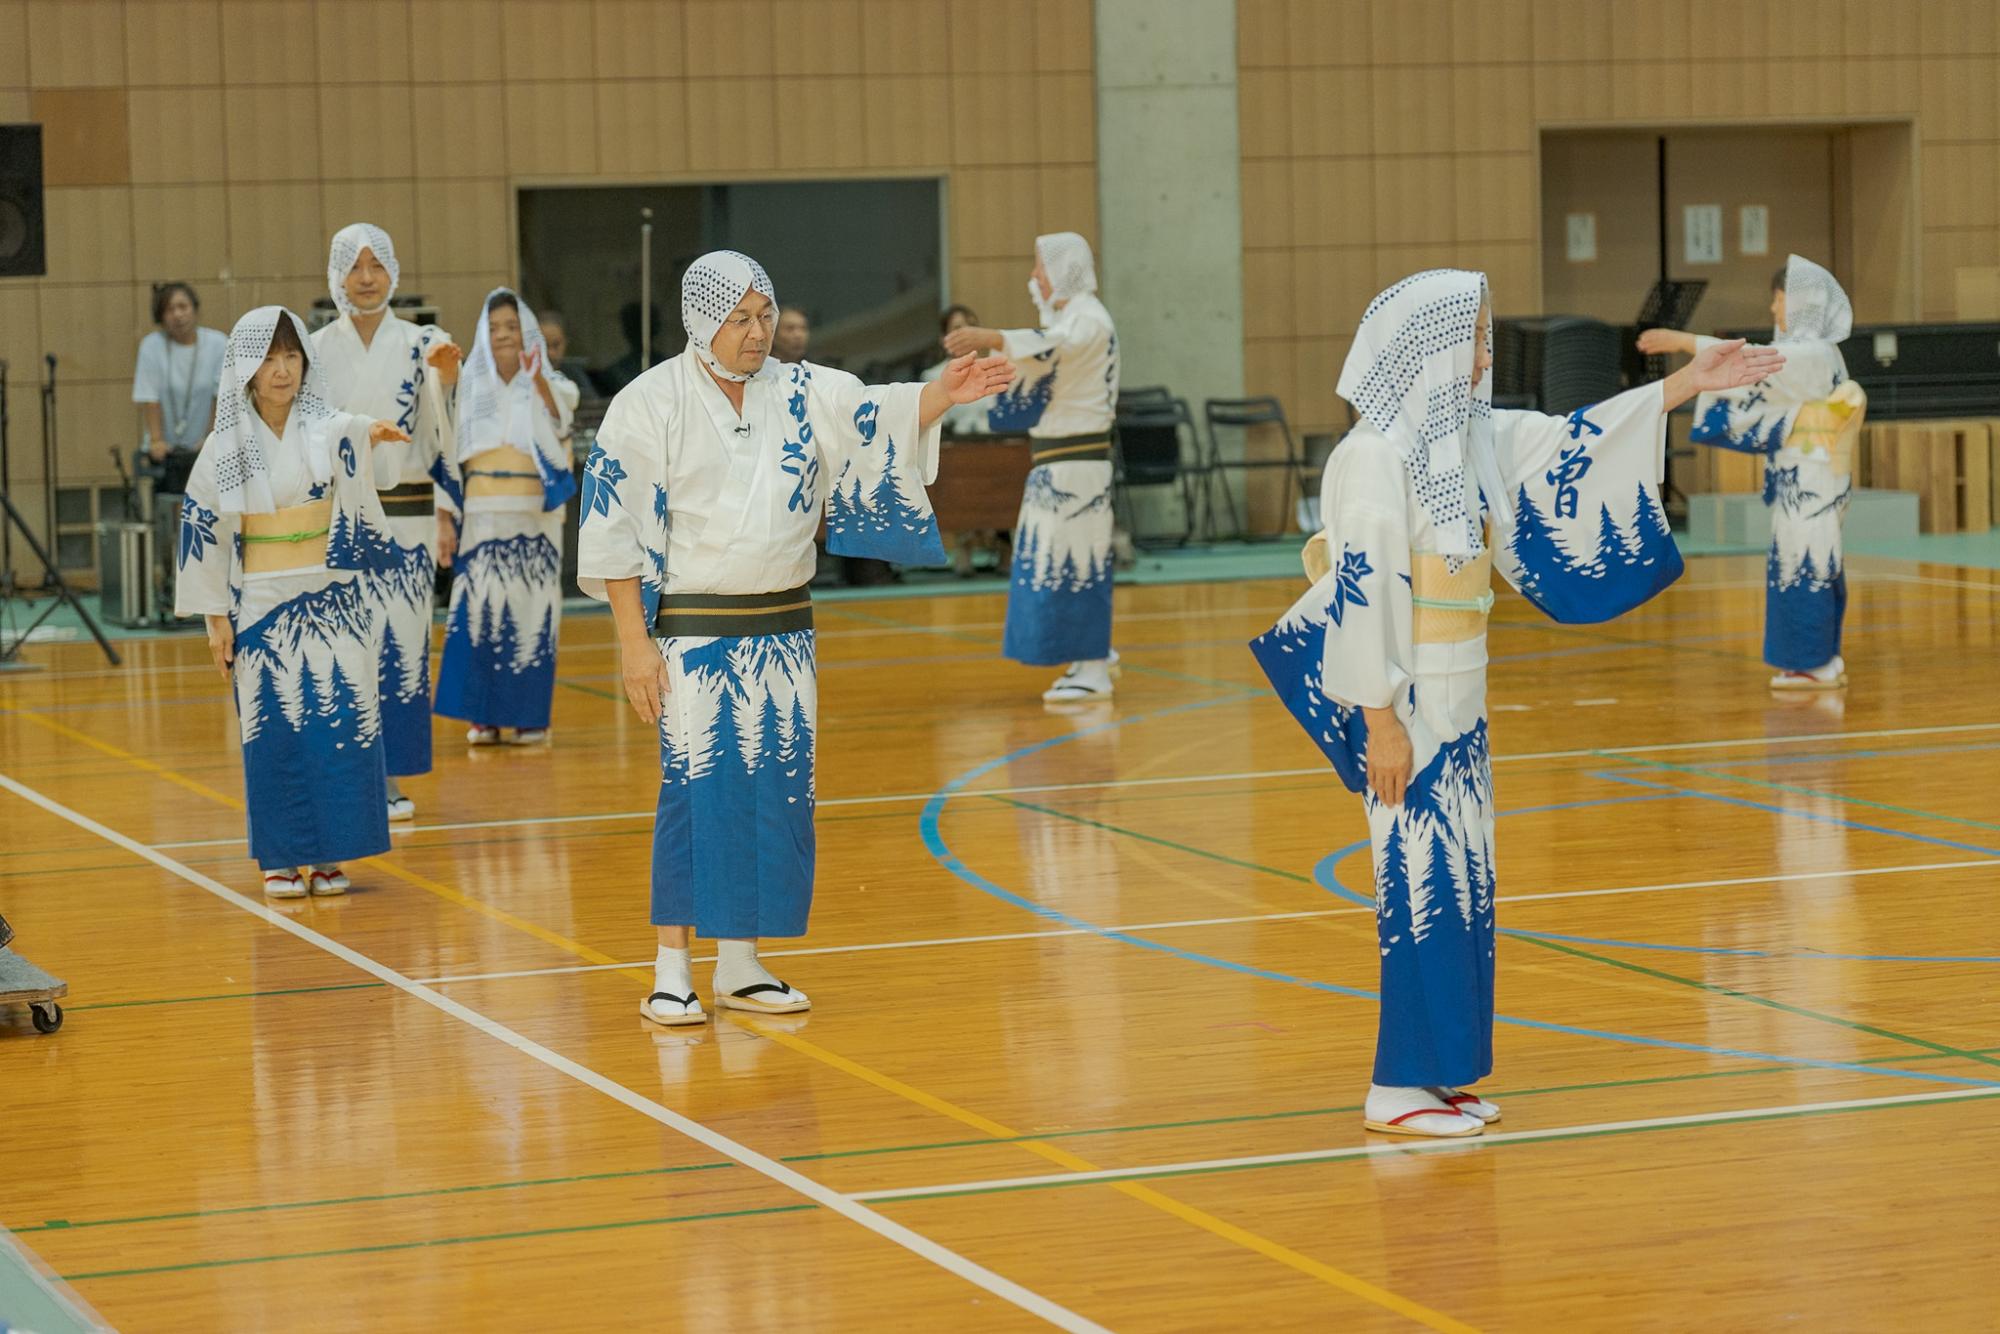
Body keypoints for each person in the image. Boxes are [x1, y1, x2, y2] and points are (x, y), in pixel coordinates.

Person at [1250, 269, 1781, 1138]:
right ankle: (1396, 1086)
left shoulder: (1466, 439)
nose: (1484, 354)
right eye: (1472, 336)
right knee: (1417, 885)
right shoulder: (1373, 457)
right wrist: (1379, 722)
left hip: (1459, 701)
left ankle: (1438, 1073)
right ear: (1427, 346)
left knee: (1464, 884)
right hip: (1406, 709)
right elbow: (1361, 594)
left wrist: (1689, 381)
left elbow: (1575, 441)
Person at [577, 250, 1011, 1027]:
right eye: (740, 318)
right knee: (694, 794)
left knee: (775, 794)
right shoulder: (650, 401)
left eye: (765, 316)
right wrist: (633, 643)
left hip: (785, 628)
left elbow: (874, 413)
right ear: (702, 321)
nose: (757, 332)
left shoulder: (804, 389)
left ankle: (740, 962)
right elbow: (612, 529)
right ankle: (671, 969)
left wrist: (945, 392)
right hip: (694, 634)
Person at [172, 308, 412, 898]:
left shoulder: (327, 427)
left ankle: (330, 853)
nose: (281, 371)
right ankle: (279, 858)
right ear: (246, 371)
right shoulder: (224, 446)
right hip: (261, 597)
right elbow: (205, 530)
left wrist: (370, 434)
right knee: (273, 728)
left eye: (291, 357)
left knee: (340, 718)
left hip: (334, 594)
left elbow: (353, 433)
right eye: (268, 360)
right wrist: (215, 618)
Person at [1639, 255, 1860, 689]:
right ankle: (1824, 658)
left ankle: (1810, 664)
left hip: (1811, 477)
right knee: (1817, 561)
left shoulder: (1813, 354)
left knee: (1802, 564)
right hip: (1812, 475)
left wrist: (1682, 341)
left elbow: (1751, 361)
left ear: (1800, 303)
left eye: (1779, 299)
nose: (1774, 309)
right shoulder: (1820, 354)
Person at [310, 224, 463, 821]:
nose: (367, 278)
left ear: (393, 272)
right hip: (340, 519)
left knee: (402, 644)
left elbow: (445, 436)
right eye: (355, 266)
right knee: (342, 646)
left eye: (377, 265)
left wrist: (447, 380)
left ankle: (391, 776)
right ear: (337, 275)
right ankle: (345, 774)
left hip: (408, 518)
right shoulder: (314, 350)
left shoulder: (425, 342)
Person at [945, 233, 1120, 701]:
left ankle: (1093, 665)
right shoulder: (1073, 319)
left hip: (1077, 466)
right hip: (1059, 465)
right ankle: (1088, 654)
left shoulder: (1088, 320)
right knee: (1051, 563)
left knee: (1076, 563)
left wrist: (994, 338)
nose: (1033, 277)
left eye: (1040, 268)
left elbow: (1053, 348)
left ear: (1063, 272)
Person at [434, 289, 575, 746]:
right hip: (481, 514)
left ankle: (529, 716)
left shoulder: (555, 384)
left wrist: (538, 381)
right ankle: (483, 717)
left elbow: (561, 422)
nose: (502, 335)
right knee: (480, 615)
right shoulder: (467, 386)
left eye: (511, 326)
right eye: (494, 327)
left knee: (533, 617)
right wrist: (443, 518)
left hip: (535, 516)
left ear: (527, 332)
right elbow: (445, 450)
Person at [132, 282, 228, 606]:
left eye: (183, 306)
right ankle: (169, 584)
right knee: (169, 517)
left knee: (208, 515)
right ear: (161, 316)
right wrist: (157, 439)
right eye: (170, 309)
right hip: (169, 451)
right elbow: (149, 397)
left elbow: (220, 395)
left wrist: (211, 438)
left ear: (195, 309)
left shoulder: (217, 343)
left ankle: (212, 585)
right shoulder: (152, 347)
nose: (178, 314)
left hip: (205, 445)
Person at [538, 308, 599, 400]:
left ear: (566, 342)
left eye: (556, 345)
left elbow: (592, 400)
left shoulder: (574, 374)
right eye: (544, 346)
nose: (550, 353)